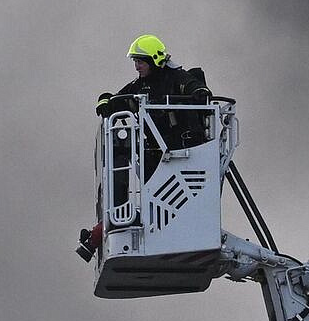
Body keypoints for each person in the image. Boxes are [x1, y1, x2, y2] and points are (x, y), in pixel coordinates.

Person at [78, 34, 213, 261]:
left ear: (154, 60)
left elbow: (195, 87)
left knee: (170, 208)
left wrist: (200, 93)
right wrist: (105, 101)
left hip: (181, 153)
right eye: (135, 61)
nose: (136, 65)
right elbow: (119, 99)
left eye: (140, 61)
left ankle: (119, 223)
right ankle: (117, 218)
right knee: (156, 207)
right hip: (154, 156)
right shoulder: (140, 85)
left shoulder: (176, 78)